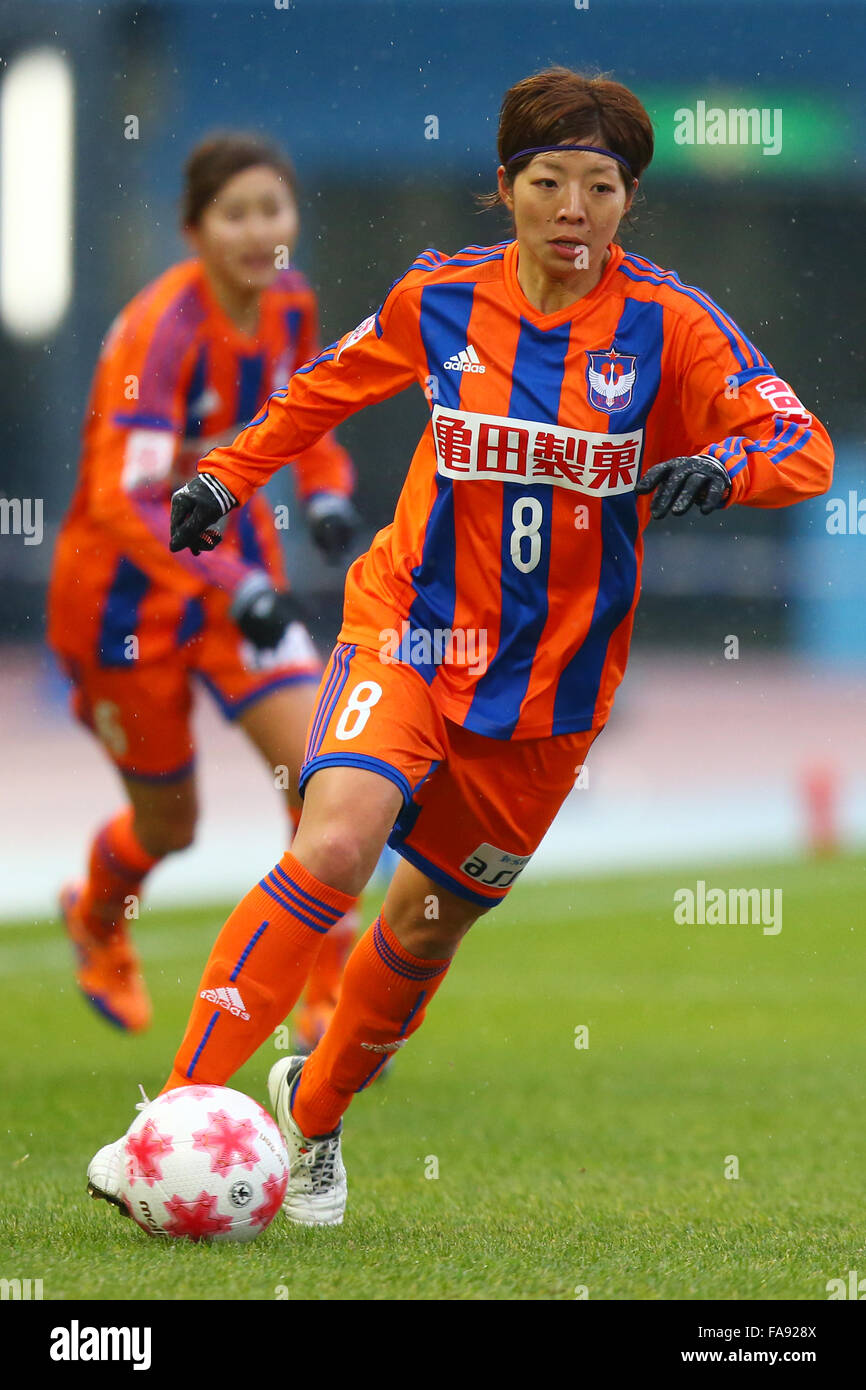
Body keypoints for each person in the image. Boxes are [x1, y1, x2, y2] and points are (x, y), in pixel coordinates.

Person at [86, 68, 833, 1228]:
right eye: (548, 181)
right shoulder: (440, 300)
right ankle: (172, 1122)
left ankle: (317, 1117)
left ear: (627, 201)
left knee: (422, 930)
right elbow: (320, 391)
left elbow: (801, 443)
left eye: (600, 185)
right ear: (505, 188)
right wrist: (224, 477)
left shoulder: (669, 325)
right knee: (334, 843)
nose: (572, 206)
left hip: (551, 693)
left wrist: (728, 466)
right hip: (410, 633)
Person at [48, 133, 359, 1046]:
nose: (260, 231)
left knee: (327, 776)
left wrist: (329, 487)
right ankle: (99, 918)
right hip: (121, 602)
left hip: (236, 581)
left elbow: (309, 414)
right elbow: (120, 500)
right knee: (171, 822)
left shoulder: (292, 302)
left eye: (274, 209)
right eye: (236, 215)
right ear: (193, 229)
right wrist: (234, 583)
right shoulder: (161, 333)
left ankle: (327, 998)